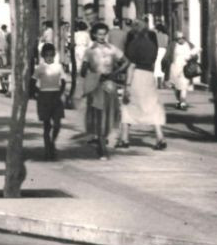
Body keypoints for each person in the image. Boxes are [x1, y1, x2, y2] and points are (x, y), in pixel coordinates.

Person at [79, 22, 128, 159]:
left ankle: (102, 140)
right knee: (99, 116)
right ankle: (102, 147)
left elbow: (126, 61)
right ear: (94, 34)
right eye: (99, 34)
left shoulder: (112, 49)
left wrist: (115, 72)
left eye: (104, 34)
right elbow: (83, 72)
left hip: (110, 85)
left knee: (110, 115)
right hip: (96, 87)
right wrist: (90, 71)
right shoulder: (89, 51)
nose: (102, 36)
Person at [120, 16, 167, 150]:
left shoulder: (132, 38)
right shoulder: (152, 36)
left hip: (135, 75)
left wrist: (127, 86)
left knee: (127, 105)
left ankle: (124, 138)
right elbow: (155, 54)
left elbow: (131, 63)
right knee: (152, 105)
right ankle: (160, 136)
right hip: (149, 75)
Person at [33, 42, 68, 160]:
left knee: (57, 124)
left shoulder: (58, 67)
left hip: (56, 96)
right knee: (47, 125)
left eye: (51, 55)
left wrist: (61, 92)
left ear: (54, 55)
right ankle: (48, 149)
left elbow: (63, 81)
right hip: (44, 96)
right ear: (42, 55)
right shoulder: (40, 68)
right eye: (47, 55)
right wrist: (38, 93)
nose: (49, 57)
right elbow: (32, 82)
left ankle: (53, 142)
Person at [167, 30, 195, 111]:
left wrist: (191, 56)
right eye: (178, 38)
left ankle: (182, 103)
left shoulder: (189, 44)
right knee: (176, 87)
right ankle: (178, 101)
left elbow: (197, 51)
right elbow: (167, 56)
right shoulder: (172, 45)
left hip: (186, 68)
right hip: (175, 67)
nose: (180, 40)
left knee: (184, 86)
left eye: (182, 38)